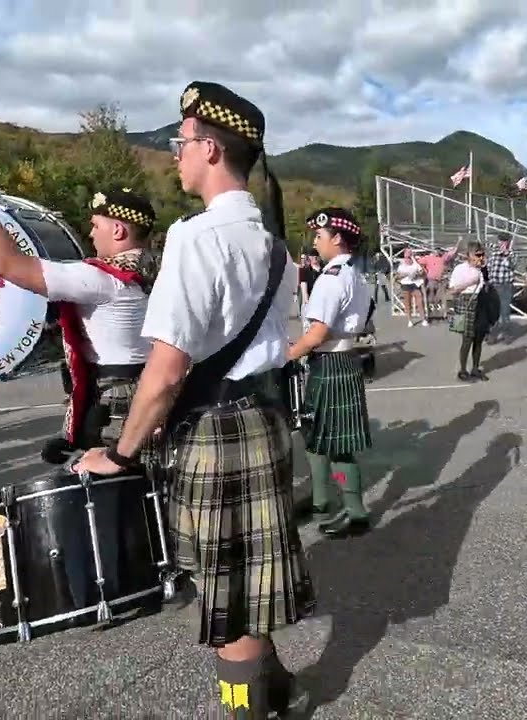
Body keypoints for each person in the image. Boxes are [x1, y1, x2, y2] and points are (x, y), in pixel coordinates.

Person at [72, 80, 312, 718]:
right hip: (262, 419)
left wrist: (120, 455)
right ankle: (275, 689)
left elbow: (167, 370)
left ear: (209, 148)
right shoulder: (278, 245)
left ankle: (248, 710)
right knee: (248, 580)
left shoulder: (195, 237)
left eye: (180, 143)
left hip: (213, 433)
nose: (175, 154)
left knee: (226, 600)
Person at [0, 160, 155, 463]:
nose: (91, 235)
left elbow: (6, 263)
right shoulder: (155, 270)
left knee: (109, 495)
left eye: (96, 226)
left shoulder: (102, 280)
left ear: (118, 230)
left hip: (114, 404)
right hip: (146, 394)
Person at [289, 207, 375, 537]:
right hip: (340, 360)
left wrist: (289, 353)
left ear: (337, 239)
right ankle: (321, 500)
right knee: (314, 436)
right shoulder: (354, 274)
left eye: (320, 236)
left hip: (331, 362)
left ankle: (354, 511)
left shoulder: (332, 277)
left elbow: (318, 333)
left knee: (338, 445)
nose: (315, 241)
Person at [447, 241, 493, 381]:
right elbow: (452, 291)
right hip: (465, 302)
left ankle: (475, 369)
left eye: (481, 254)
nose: (480, 257)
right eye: (477, 255)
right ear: (469, 255)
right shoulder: (460, 269)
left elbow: (487, 285)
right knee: (467, 339)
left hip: (480, 303)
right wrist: (470, 282)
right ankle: (462, 370)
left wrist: (483, 271)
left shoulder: (482, 269)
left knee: (479, 338)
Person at [484, 233, 516, 342]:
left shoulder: (512, 254)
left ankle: (506, 334)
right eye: (500, 241)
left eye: (504, 241)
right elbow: (488, 268)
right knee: (493, 312)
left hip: (505, 286)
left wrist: (506, 254)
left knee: (505, 312)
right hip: (494, 286)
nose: (502, 243)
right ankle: (492, 335)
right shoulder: (493, 253)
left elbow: (513, 265)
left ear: (508, 242)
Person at [394, 248, 427, 326]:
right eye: (406, 256)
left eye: (409, 256)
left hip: (415, 284)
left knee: (420, 301)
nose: (407, 258)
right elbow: (397, 277)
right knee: (407, 303)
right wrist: (403, 275)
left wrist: (418, 274)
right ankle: (409, 320)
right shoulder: (401, 265)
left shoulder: (415, 264)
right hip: (406, 284)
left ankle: (423, 319)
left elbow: (422, 273)